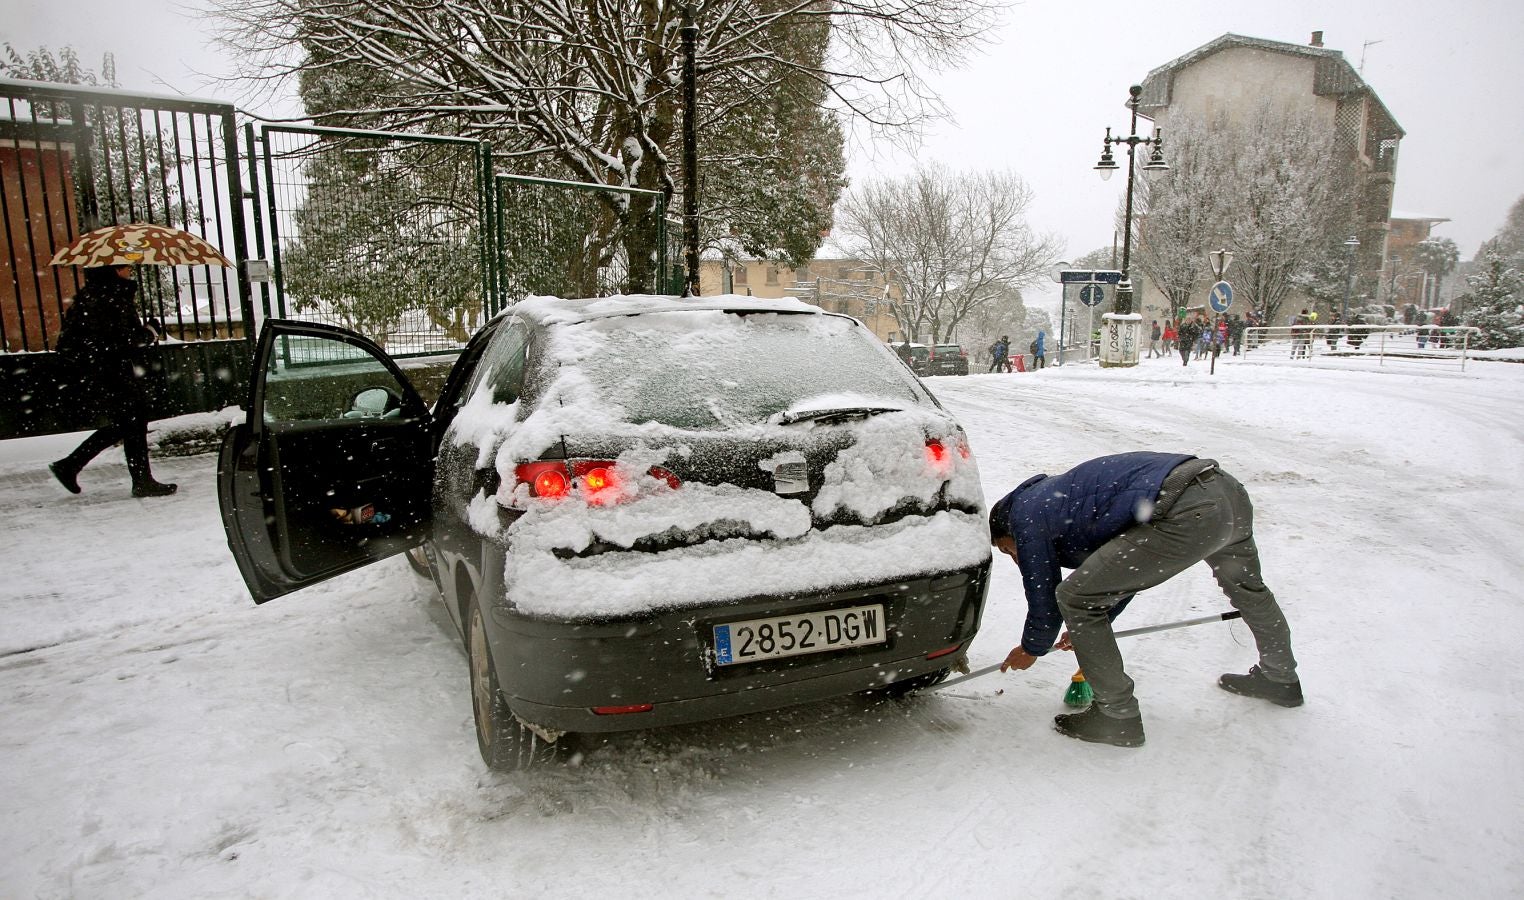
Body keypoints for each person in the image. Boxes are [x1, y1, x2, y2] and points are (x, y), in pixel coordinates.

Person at [989, 452, 1302, 747]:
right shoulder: (1060, 499)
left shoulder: (1025, 515)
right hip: (1226, 492)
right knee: (1249, 590)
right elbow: (1126, 571)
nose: (1015, 558)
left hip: (1184, 507)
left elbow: (1044, 592)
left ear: (1005, 528)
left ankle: (1116, 716)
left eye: (1008, 550)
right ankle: (1280, 678)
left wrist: (1032, 647)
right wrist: (1096, 622)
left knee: (1073, 597)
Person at [48, 265, 178, 498]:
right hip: (110, 372)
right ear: (116, 270)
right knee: (132, 422)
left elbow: (109, 337)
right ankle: (138, 481)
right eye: (126, 264)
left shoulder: (96, 295)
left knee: (128, 423)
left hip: (101, 372)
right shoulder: (110, 298)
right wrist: (148, 333)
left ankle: (71, 465)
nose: (130, 269)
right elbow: (121, 341)